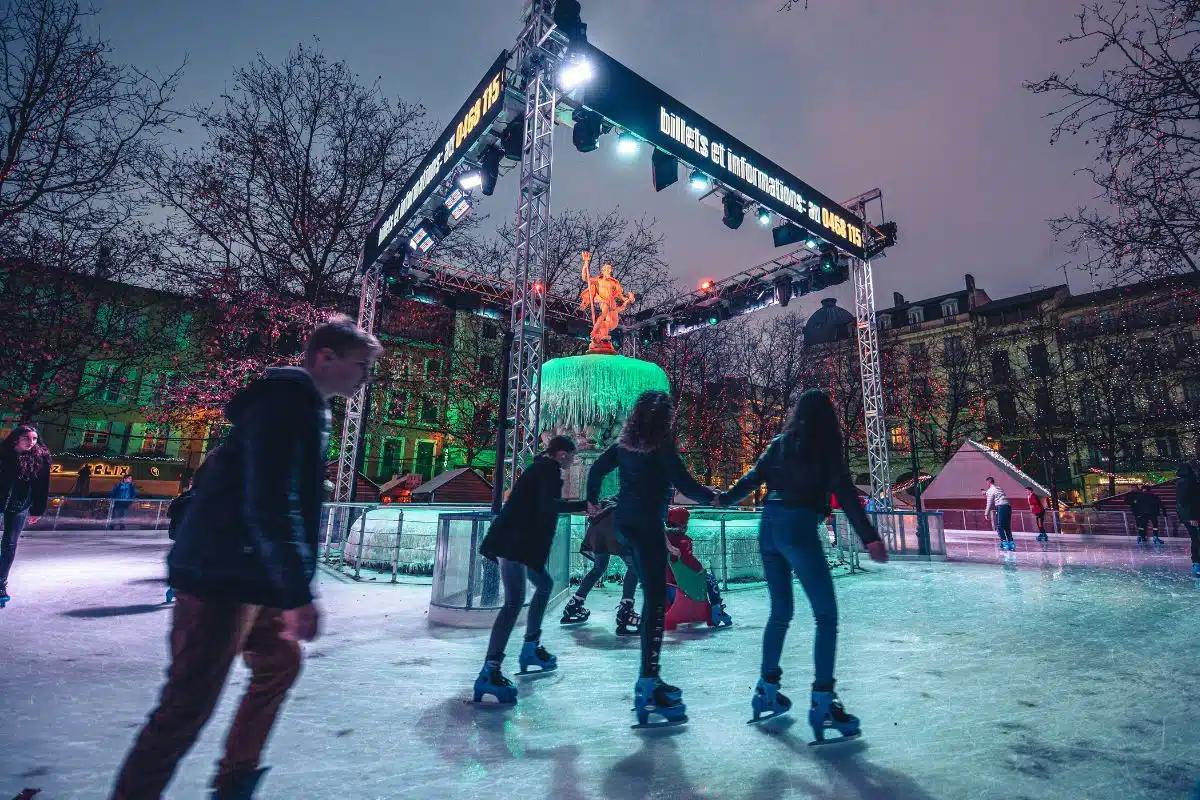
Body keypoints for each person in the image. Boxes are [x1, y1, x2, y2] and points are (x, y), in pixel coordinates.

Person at [112, 316, 380, 799]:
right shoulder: (284, 406)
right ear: (326, 356)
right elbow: (272, 501)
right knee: (187, 706)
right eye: (361, 366)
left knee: (280, 663)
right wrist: (298, 594)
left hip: (250, 573)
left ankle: (235, 778)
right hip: (223, 575)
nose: (365, 377)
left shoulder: (303, 407)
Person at [718, 389, 887, 740]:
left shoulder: (779, 443)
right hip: (798, 527)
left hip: (769, 528)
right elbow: (847, 495)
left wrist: (721, 498)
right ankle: (823, 700)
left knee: (780, 614)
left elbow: (751, 479)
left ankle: (767, 690)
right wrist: (870, 537)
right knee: (825, 615)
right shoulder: (825, 449)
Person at [585, 390, 715, 727]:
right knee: (656, 603)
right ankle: (648, 682)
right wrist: (717, 496)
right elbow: (688, 484)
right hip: (646, 527)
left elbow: (596, 471)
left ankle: (649, 677)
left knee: (648, 590)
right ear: (664, 420)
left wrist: (591, 502)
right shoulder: (662, 450)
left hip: (624, 524)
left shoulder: (623, 448)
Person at [475, 435, 587, 703]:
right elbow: (546, 506)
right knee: (514, 601)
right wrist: (584, 506)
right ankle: (490, 670)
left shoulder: (542, 468)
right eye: (572, 456)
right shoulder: (547, 470)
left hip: (518, 544)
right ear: (562, 454)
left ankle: (530, 647)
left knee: (544, 585)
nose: (573, 462)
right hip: (514, 544)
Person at [561, 498, 643, 635]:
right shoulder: (646, 494)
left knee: (599, 567)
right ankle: (626, 611)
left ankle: (574, 605)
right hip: (615, 527)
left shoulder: (622, 493)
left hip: (597, 529)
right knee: (634, 567)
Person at [0, 424, 52, 609]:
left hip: (20, 504)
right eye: (27, 438)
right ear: (16, 438)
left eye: (34, 439)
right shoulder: (4, 453)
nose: (31, 442)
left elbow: (42, 485)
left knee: (9, 544)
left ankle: (1, 585)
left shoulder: (40, 458)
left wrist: (38, 509)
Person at [662, 506, 732, 631]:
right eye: (686, 522)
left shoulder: (662, 541)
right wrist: (700, 568)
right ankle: (716, 607)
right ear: (681, 523)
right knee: (709, 578)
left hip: (667, 587)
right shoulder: (683, 540)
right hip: (685, 586)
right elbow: (688, 559)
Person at [1174, 460, 1199, 576]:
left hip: (1189, 516)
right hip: (1192, 516)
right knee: (1196, 539)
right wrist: (1192, 517)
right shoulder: (1188, 482)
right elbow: (1185, 501)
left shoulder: (1183, 482)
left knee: (1196, 539)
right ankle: (1196, 563)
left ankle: (1196, 563)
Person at [984, 476, 1014, 551]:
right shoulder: (998, 488)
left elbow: (989, 502)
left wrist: (986, 513)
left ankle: (1004, 542)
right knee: (1006, 526)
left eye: (987, 482)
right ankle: (1011, 542)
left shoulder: (991, 490)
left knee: (999, 526)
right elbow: (995, 494)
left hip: (1001, 507)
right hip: (1008, 506)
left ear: (989, 482)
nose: (986, 484)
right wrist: (986, 493)